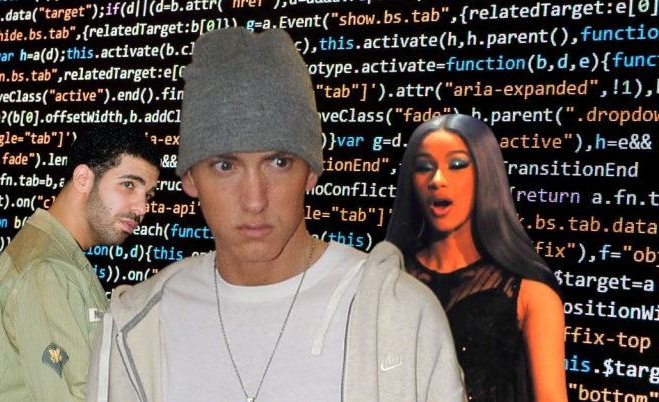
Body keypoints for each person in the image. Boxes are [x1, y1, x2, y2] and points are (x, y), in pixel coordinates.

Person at [87, 28, 466, 402]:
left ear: (311, 171)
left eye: (279, 162)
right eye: (225, 166)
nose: (255, 200)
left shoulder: (401, 316)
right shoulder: (136, 326)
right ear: (190, 178)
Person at [384, 114, 567, 401]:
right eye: (423, 167)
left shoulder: (530, 291)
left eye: (457, 165)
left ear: (486, 173)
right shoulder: (388, 276)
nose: (437, 180)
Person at [0, 124, 161, 402]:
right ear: (83, 179)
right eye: (128, 185)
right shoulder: (48, 271)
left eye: (148, 196)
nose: (142, 208)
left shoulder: (56, 258)